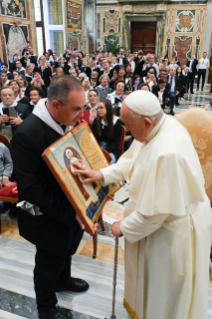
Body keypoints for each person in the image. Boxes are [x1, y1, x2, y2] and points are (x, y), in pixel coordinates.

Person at [74, 90, 211, 319]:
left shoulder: (167, 152)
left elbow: (155, 214)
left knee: (165, 294)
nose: (125, 131)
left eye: (128, 125)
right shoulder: (159, 126)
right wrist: (100, 173)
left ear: (146, 122)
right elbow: (131, 161)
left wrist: (122, 227)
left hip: (172, 232)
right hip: (162, 223)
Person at [11, 75, 97, 319]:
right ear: (56, 105)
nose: (82, 114)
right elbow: (33, 189)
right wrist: (73, 212)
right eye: (77, 109)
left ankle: (64, 279)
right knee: (48, 262)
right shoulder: (28, 133)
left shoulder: (70, 121)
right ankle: (46, 307)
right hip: (48, 214)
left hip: (73, 208)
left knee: (67, 249)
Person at [92, 99, 122, 164]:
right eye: (98, 108)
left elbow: (115, 144)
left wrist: (103, 151)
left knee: (106, 162)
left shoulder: (117, 122)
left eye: (101, 108)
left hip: (112, 151)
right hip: (98, 149)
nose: (98, 110)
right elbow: (93, 138)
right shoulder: (96, 121)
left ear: (108, 109)